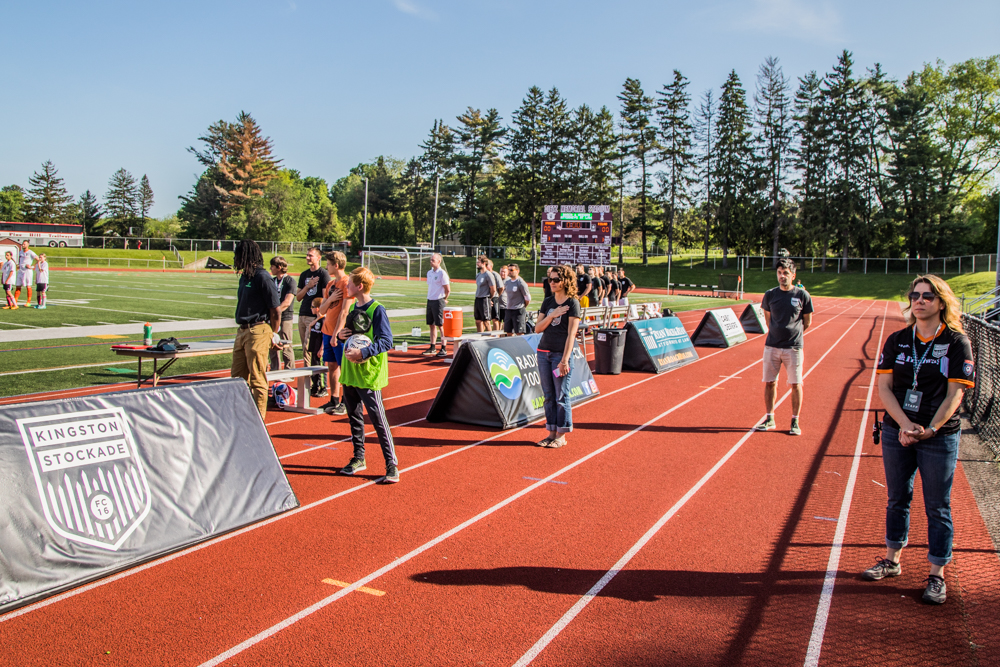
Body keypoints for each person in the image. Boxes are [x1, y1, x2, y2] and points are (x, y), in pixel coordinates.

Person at [862, 275, 975, 605]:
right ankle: (892, 560)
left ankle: (937, 574)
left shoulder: (956, 343)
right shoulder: (897, 340)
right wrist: (906, 423)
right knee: (898, 497)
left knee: (938, 506)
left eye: (928, 296)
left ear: (941, 302)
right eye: (916, 295)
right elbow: (884, 388)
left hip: (938, 435)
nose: (920, 300)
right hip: (899, 431)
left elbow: (956, 394)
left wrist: (931, 428)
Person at [337, 266, 399, 484]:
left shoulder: (377, 309)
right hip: (350, 372)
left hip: (369, 374)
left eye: (350, 282)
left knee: (378, 420)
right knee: (354, 418)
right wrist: (343, 335)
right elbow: (351, 336)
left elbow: (386, 341)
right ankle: (358, 458)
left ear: (359, 286)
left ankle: (391, 465)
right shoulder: (354, 307)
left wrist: (363, 352)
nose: (347, 285)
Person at [755, 258, 813, 435]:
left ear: (793, 275)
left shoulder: (802, 295)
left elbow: (807, 321)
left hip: (793, 347)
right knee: (770, 383)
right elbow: (767, 317)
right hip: (772, 346)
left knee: (796, 384)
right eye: (779, 273)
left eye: (786, 273)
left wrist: (792, 334)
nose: (782, 276)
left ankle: (795, 422)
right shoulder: (770, 295)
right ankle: (770, 418)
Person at [231, 240, 281, 419]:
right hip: (242, 331)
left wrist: (273, 334)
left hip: (258, 330)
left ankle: (259, 421)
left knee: (257, 379)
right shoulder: (245, 277)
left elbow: (275, 310)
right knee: (236, 379)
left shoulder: (262, 277)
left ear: (246, 256)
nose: (235, 259)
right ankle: (238, 416)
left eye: (238, 255)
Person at [534, 264, 581, 449]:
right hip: (543, 353)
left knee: (561, 396)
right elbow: (537, 328)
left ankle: (562, 435)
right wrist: (552, 315)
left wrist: (564, 360)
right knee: (548, 396)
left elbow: (571, 334)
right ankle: (551, 432)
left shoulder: (572, 303)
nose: (552, 283)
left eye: (556, 279)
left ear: (565, 281)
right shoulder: (548, 302)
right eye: (550, 279)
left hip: (560, 356)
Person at [318, 251, 353, 414]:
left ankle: (346, 402)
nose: (326, 267)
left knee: (343, 366)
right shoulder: (330, 285)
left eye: (328, 264)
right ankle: (333, 399)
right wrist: (331, 300)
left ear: (336, 265)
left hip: (339, 334)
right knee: (331, 365)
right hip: (327, 331)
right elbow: (322, 310)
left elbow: (344, 312)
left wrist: (336, 334)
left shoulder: (347, 283)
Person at [296, 247, 330, 397]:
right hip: (303, 314)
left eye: (310, 255)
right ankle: (308, 383)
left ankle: (319, 384)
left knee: (313, 351)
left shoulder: (323, 274)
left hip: (314, 315)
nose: (307, 257)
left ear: (318, 258)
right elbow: (298, 296)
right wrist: (308, 286)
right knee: (305, 351)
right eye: (307, 255)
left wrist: (320, 316)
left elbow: (325, 297)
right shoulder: (304, 275)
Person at [268, 256, 296, 372]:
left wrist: (276, 311)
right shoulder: (272, 281)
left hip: (285, 318)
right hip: (272, 318)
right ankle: (275, 371)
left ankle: (289, 372)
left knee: (286, 346)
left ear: (279, 267)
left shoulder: (290, 281)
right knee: (272, 345)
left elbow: (287, 302)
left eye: (272, 266)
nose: (270, 268)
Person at [422, 252, 450, 357]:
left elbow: (448, 289)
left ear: (439, 261)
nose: (431, 261)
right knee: (431, 324)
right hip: (430, 299)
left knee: (441, 325)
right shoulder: (429, 273)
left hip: (438, 301)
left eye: (433, 260)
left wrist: (444, 299)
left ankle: (443, 348)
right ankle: (432, 347)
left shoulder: (442, 273)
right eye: (430, 260)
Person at [504, 263, 531, 336]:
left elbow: (527, 298)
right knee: (508, 331)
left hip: (518, 310)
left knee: (519, 332)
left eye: (512, 270)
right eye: (508, 270)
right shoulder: (507, 282)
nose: (510, 271)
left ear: (517, 271)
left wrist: (522, 307)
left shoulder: (521, 283)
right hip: (509, 309)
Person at [474, 255, 497, 332]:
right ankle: (480, 338)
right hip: (478, 299)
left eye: (479, 262)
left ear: (484, 263)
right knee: (478, 321)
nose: (477, 263)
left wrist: (489, 298)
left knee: (486, 321)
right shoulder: (478, 275)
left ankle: (490, 337)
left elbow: (493, 289)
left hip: (484, 299)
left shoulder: (488, 275)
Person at [14, 240, 37, 307]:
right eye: (22, 244)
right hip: (21, 271)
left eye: (24, 244)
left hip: (27, 271)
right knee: (18, 286)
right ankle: (15, 301)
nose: (23, 245)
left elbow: (38, 259)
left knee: (28, 286)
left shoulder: (31, 252)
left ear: (28, 245)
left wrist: (31, 266)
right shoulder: (20, 252)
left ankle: (28, 302)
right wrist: (18, 265)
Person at [489, 259, 504, 332]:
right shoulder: (483, 274)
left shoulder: (495, 275)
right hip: (486, 298)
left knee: (495, 319)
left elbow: (501, 288)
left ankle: (495, 335)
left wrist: (496, 295)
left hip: (494, 298)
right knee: (484, 319)